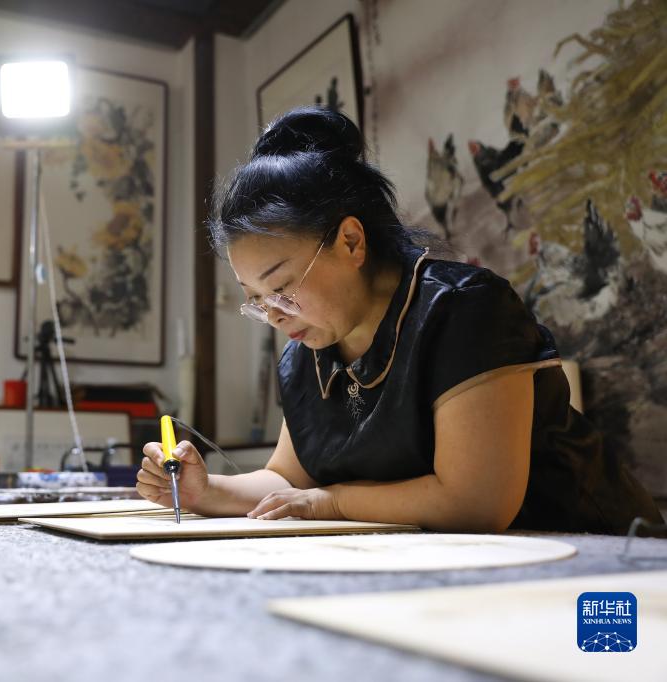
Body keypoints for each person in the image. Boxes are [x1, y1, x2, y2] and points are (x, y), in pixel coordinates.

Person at [136, 106, 663, 534]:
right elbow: (287, 479)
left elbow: (475, 503)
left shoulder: (462, 310)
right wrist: (205, 490)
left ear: (351, 241)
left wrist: (331, 503)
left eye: (281, 287)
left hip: (595, 555)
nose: (273, 314)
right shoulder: (306, 355)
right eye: (256, 299)